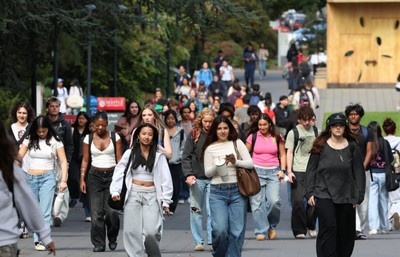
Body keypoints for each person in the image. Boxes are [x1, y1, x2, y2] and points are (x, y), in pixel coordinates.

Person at [305, 113, 365, 257]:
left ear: (345, 127)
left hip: (346, 195)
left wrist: (358, 196)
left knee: (345, 232)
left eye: (341, 125)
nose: (338, 128)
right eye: (334, 125)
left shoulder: (352, 147)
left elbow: (359, 173)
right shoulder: (320, 147)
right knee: (329, 227)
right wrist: (309, 192)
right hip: (324, 193)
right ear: (329, 127)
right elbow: (311, 171)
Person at [110, 123, 173, 257]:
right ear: (138, 135)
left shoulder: (159, 156)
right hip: (133, 194)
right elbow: (119, 171)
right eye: (144, 134)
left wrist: (166, 201)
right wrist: (115, 191)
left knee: (151, 232)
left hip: (152, 195)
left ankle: (153, 254)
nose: (147, 137)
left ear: (153, 137)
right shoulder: (130, 153)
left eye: (150, 134)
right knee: (131, 231)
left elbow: (166, 179)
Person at [0, 120, 56, 256]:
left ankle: (38, 240)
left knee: (45, 209)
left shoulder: (8, 169)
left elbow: (27, 202)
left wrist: (44, 235)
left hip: (4, 242)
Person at [203, 115, 254, 257]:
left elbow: (250, 163)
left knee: (237, 232)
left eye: (225, 128)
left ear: (230, 129)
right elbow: (207, 173)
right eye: (219, 128)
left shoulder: (237, 143)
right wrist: (219, 164)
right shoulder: (210, 149)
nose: (223, 131)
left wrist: (235, 162)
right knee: (220, 230)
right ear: (215, 130)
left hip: (238, 191)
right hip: (217, 192)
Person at [18, 115, 68, 251]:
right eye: (38, 131)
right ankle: (38, 239)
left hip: (48, 177)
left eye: (43, 131)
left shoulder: (55, 141)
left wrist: (63, 180)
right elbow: (19, 157)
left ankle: (40, 240)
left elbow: (63, 161)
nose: (41, 134)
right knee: (34, 211)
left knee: (44, 212)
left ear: (48, 129)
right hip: (30, 178)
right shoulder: (29, 139)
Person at [80, 111, 123, 252]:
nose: (100, 128)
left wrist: (121, 180)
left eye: (103, 125)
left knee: (112, 212)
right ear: (93, 124)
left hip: (112, 175)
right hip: (94, 177)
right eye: (97, 125)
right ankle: (98, 243)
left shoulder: (115, 137)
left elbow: (120, 160)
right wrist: (82, 178)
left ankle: (112, 237)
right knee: (96, 213)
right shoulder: (88, 138)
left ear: (107, 124)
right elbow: (85, 160)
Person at [245, 113, 286, 240]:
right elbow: (245, 155)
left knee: (274, 201)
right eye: (260, 125)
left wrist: (283, 170)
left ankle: (271, 226)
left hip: (273, 172)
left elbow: (283, 154)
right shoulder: (252, 137)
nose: (262, 127)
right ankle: (260, 230)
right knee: (257, 203)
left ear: (269, 124)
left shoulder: (277, 136)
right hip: (256, 172)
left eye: (265, 125)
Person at [182, 108, 216, 251]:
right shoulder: (194, 134)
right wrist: (188, 174)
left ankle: (212, 238)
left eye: (210, 122)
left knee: (212, 209)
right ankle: (198, 240)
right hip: (197, 178)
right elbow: (186, 156)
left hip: (214, 178)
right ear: (200, 120)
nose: (208, 124)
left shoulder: (217, 135)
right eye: (205, 121)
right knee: (196, 209)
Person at [285, 106, 318, 239]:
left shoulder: (315, 131)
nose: (306, 123)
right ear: (299, 119)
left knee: (314, 201)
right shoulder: (293, 132)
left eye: (308, 120)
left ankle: (311, 225)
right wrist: (289, 171)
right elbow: (289, 152)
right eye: (303, 120)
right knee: (298, 201)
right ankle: (299, 229)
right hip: (297, 170)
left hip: (312, 170)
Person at [345, 103, 372, 240]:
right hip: (347, 171)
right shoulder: (344, 131)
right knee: (349, 199)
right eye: (351, 114)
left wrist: (362, 167)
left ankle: (360, 228)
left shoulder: (367, 131)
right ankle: (352, 229)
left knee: (363, 200)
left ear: (360, 116)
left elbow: (369, 151)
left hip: (363, 170)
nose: (353, 116)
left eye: (356, 114)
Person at [8, 101, 35, 238]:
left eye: (24, 113)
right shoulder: (10, 128)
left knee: (26, 196)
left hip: (30, 167)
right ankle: (17, 224)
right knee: (14, 197)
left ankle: (24, 224)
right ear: (15, 113)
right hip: (13, 167)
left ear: (28, 114)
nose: (22, 115)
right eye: (19, 112)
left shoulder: (32, 128)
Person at [45, 96, 73, 226]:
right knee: (47, 189)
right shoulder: (43, 122)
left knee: (63, 188)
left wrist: (67, 161)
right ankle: (49, 215)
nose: (54, 108)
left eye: (56, 106)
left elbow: (69, 145)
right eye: (52, 106)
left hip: (61, 161)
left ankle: (60, 216)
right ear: (47, 108)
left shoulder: (65, 124)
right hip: (46, 160)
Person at [367, 121, 392, 235]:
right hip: (384, 174)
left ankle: (373, 227)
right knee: (383, 201)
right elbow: (390, 158)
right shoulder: (385, 142)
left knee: (372, 201)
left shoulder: (369, 143)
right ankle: (384, 226)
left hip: (372, 174)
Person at [70, 112, 91, 220]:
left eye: (83, 119)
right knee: (74, 178)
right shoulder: (72, 130)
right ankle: (75, 196)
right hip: (74, 158)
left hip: (86, 158)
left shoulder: (89, 131)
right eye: (79, 119)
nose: (81, 121)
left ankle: (84, 199)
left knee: (85, 180)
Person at [164, 110, 186, 214]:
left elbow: (183, 147)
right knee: (164, 184)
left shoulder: (180, 131)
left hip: (176, 163)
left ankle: (172, 207)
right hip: (164, 162)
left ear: (175, 119)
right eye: (168, 118)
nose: (170, 120)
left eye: (172, 118)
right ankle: (165, 205)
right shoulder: (161, 130)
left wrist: (179, 157)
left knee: (175, 185)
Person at [382, 118, 400, 230]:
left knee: (385, 198)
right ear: (395, 129)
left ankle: (387, 223)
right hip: (397, 171)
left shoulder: (381, 141)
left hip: (384, 171)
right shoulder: (399, 140)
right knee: (397, 198)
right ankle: (395, 212)